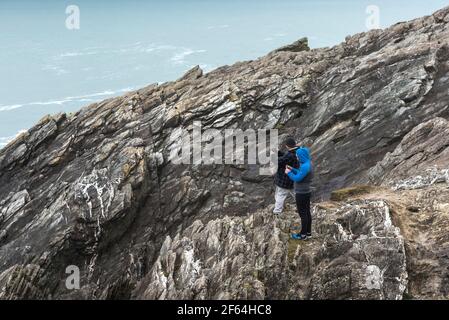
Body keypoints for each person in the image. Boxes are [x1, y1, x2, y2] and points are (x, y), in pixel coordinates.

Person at [285, 146, 313, 240]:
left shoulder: (305, 166)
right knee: (307, 213)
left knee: (303, 214)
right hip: (306, 191)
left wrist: (289, 173)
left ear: (301, 156)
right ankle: (308, 233)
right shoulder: (307, 164)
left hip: (301, 193)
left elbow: (297, 178)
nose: (296, 157)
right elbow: (301, 173)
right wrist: (292, 169)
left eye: (297, 156)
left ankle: (302, 235)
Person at [273, 137, 299, 215]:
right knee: (297, 194)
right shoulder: (297, 151)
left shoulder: (290, 155)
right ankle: (303, 207)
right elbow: (285, 157)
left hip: (285, 180)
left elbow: (280, 161)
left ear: (287, 146)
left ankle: (277, 212)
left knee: (280, 195)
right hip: (293, 179)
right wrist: (278, 152)